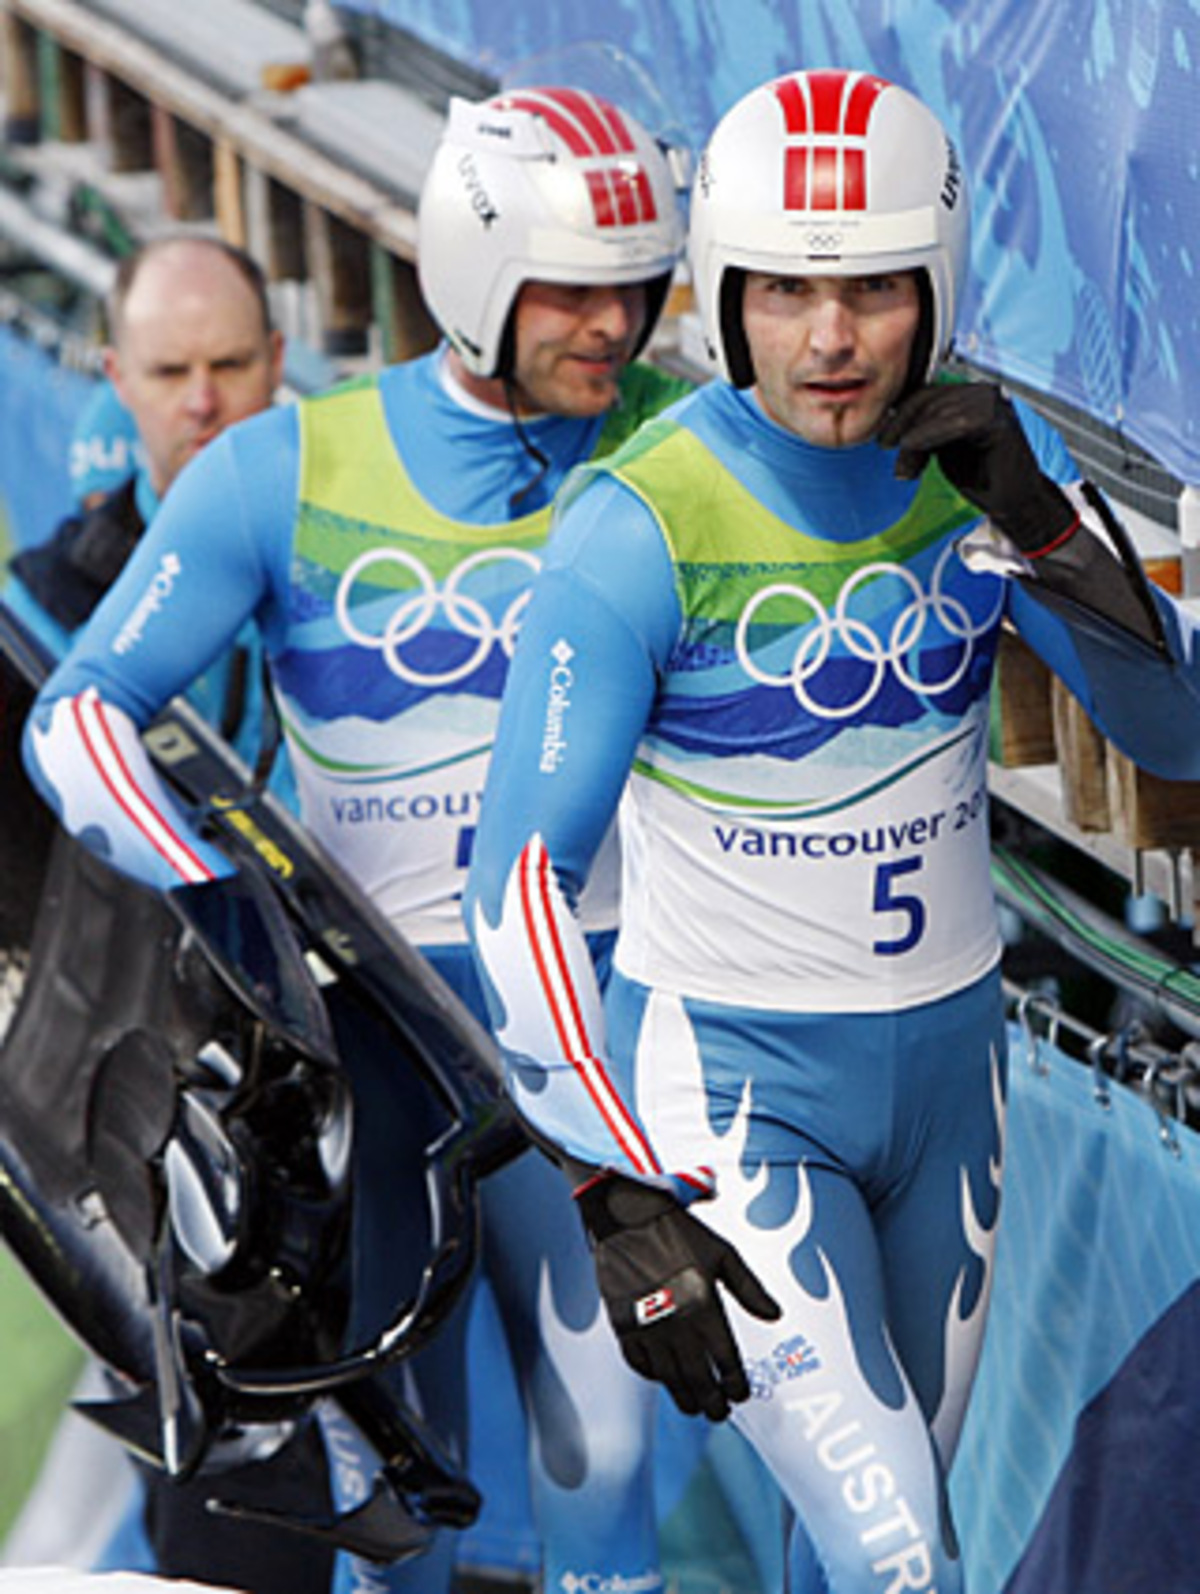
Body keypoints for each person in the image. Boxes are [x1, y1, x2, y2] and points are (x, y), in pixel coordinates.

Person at [460, 68, 1200, 1593]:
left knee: (852, 1551)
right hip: (733, 1097)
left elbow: (1177, 736)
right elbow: (519, 876)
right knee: (902, 1561)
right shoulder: (637, 522)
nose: (831, 340)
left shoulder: (978, 476)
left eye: (870, 288)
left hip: (949, 1084)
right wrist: (608, 1182)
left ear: (933, 290)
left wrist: (1049, 527)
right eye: (785, 291)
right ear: (726, 299)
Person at [21, 85, 691, 1594]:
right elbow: (78, 718)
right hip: (378, 1057)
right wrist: (221, 913)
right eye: (573, 285)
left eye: (635, 288)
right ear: (477, 269)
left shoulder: (684, 443)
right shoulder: (283, 468)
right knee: (396, 1494)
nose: (614, 324)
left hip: (599, 1033)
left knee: (613, 1465)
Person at [6, 238, 287, 783]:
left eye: (229, 366)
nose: (202, 402)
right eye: (169, 372)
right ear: (118, 378)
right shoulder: (49, 606)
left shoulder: (364, 556)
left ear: (277, 361)